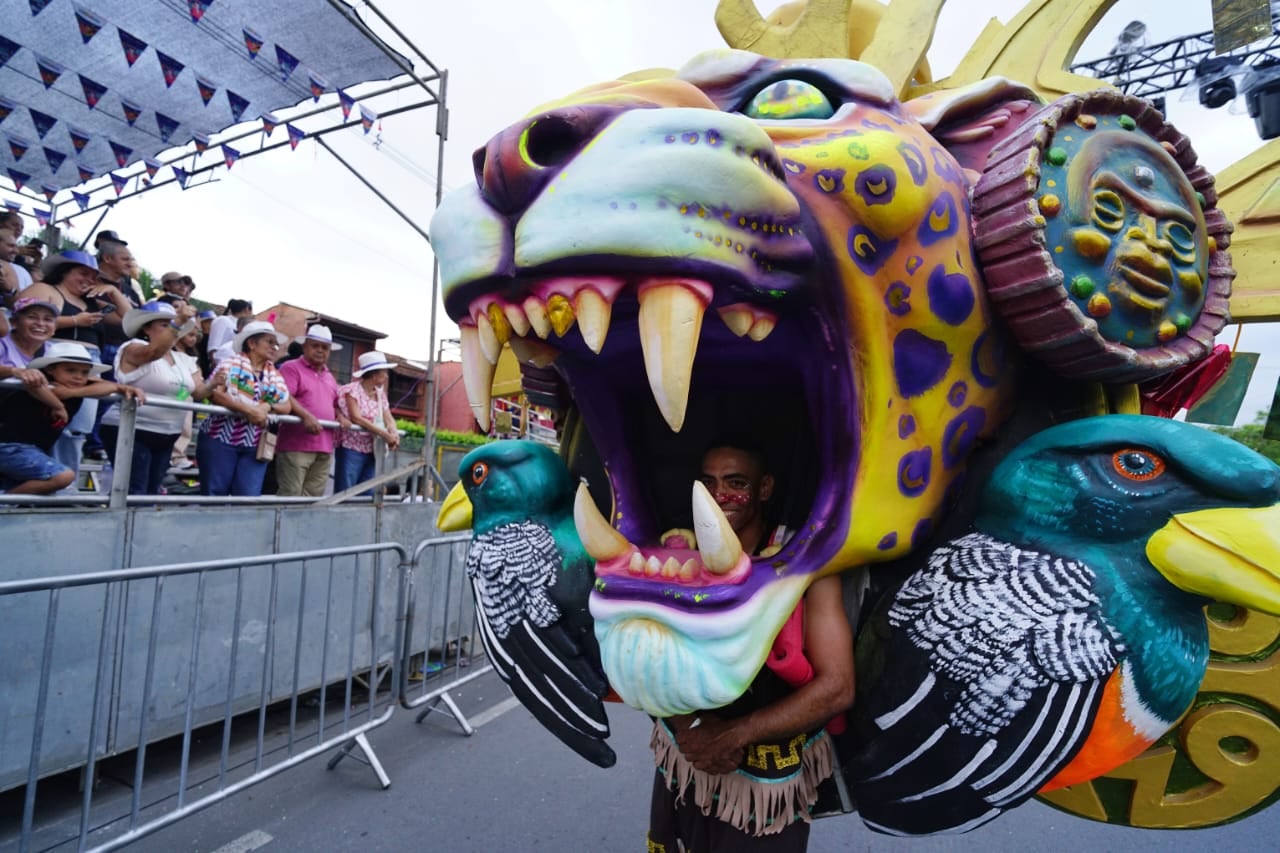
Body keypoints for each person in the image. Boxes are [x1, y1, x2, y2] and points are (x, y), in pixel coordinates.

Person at [647, 443, 855, 853]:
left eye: (735, 483)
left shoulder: (803, 561)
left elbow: (837, 687)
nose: (720, 495)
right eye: (709, 483)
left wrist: (733, 734)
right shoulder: (675, 555)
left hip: (764, 787)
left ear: (765, 488)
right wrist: (691, 729)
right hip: (685, 761)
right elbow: (645, 658)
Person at [98, 302, 220, 494]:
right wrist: (179, 320)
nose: (173, 328)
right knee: (135, 490)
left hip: (168, 433)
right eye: (164, 324)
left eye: (172, 324)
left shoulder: (185, 359)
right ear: (146, 328)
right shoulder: (133, 347)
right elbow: (153, 352)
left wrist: (214, 383)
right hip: (132, 428)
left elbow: (198, 393)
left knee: (152, 490)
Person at [0, 341, 144, 494]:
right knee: (63, 477)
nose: (78, 377)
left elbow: (108, 385)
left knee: (38, 485)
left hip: (28, 450)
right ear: (50, 370)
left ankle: (8, 500)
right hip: (9, 447)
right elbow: (36, 387)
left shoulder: (76, 387)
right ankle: (7, 500)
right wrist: (58, 405)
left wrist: (71, 393)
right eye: (70, 370)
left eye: (84, 373)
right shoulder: (41, 382)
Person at [46, 250, 131, 477]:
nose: (89, 280)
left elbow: (130, 321)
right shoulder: (48, 290)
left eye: (94, 276)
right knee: (52, 423)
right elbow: (33, 320)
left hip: (89, 364)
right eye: (83, 273)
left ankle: (65, 487)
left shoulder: (92, 302)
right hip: (55, 358)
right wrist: (75, 320)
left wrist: (113, 291)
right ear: (64, 272)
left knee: (78, 429)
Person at [197, 320, 291, 496]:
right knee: (214, 494)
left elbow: (286, 405)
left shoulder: (274, 374)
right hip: (220, 439)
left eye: (276, 343)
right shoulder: (230, 364)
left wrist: (266, 406)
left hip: (254, 443)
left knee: (248, 496)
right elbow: (216, 394)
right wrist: (249, 410)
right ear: (252, 343)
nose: (274, 347)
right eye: (269, 342)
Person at [276, 324, 349, 497]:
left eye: (325, 347)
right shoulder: (291, 367)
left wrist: (340, 416)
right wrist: (306, 416)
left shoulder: (330, 376)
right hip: (296, 444)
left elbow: (334, 404)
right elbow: (285, 395)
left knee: (313, 499)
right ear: (305, 346)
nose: (320, 351)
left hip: (324, 446)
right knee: (290, 495)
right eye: (315, 346)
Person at [335, 351, 399, 493]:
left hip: (372, 450)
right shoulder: (351, 390)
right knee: (346, 490)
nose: (387, 376)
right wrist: (384, 434)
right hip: (352, 448)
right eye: (384, 372)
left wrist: (393, 432)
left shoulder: (380, 394)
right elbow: (356, 418)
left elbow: (388, 417)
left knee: (367, 491)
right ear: (374, 374)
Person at [0, 295, 59, 385]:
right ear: (14, 322)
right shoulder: (3, 344)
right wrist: (15, 371)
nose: (40, 323)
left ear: (54, 328)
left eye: (48, 319)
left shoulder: (55, 351)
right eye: (32, 317)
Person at [207, 299, 254, 366]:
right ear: (247, 309)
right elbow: (214, 346)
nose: (251, 315)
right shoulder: (223, 320)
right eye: (251, 312)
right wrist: (216, 365)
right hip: (221, 365)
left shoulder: (242, 325)